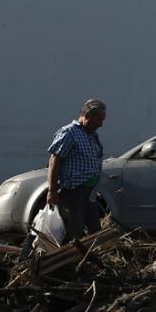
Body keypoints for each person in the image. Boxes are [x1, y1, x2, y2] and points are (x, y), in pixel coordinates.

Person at [46, 99, 107, 243]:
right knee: (74, 234)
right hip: (73, 193)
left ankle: (93, 263)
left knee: (96, 234)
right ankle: (69, 262)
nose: (101, 124)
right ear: (87, 115)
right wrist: (52, 191)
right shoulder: (69, 132)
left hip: (90, 194)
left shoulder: (92, 135)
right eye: (98, 119)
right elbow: (54, 161)